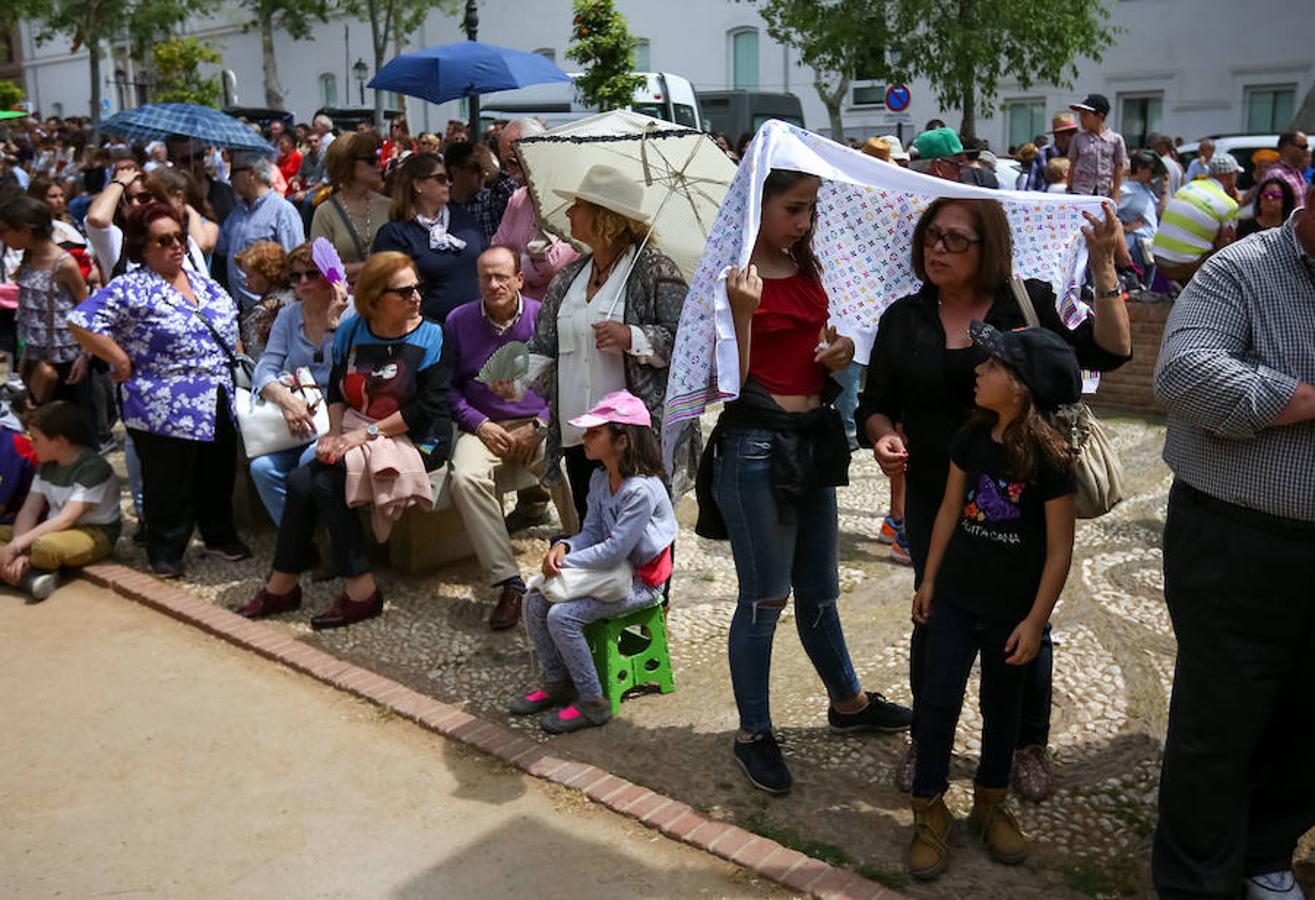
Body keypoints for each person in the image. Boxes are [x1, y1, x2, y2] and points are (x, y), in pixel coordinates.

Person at [856, 198, 1132, 801]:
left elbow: (1110, 350)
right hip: (938, 494)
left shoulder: (1026, 300)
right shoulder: (904, 318)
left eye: (956, 240)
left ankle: (1027, 742)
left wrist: (1104, 264)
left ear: (990, 248)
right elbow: (871, 404)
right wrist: (884, 437)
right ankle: (929, 740)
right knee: (935, 615)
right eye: (932, 236)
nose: (937, 249)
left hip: (1023, 495)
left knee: (1025, 618)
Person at [699, 168, 911, 796]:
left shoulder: (808, 266)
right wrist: (742, 311)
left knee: (820, 590)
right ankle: (753, 734)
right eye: (793, 208)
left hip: (813, 440)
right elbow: (726, 381)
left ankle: (847, 703)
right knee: (765, 598)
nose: (804, 222)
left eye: (810, 210)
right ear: (757, 207)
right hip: (755, 446)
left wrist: (840, 351)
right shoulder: (735, 278)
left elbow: (822, 341)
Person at [1150, 180, 1315, 900]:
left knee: (1307, 719)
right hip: (1235, 542)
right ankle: (1195, 881)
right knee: (1217, 724)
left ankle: (1266, 854)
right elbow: (1185, 378)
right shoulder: (1240, 269)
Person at [907, 323, 1079, 880]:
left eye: (992, 366)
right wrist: (928, 580)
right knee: (936, 704)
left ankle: (990, 803)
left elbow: (1058, 552)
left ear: (1022, 387)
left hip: (1011, 613)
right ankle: (929, 807)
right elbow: (949, 511)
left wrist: (1035, 621)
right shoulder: (970, 438)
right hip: (955, 598)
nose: (977, 371)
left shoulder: (1052, 460)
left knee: (1003, 711)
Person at [237, 252, 452, 629]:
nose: (416, 297)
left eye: (417, 287)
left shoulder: (432, 334)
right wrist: (335, 435)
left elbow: (427, 409)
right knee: (301, 479)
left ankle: (357, 590)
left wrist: (358, 436)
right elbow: (337, 388)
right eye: (404, 292)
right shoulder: (354, 330)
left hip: (417, 437)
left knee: (322, 483)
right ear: (374, 296)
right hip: (358, 425)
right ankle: (286, 583)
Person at [68, 202, 249, 579]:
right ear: (142, 247)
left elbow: (228, 322)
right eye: (164, 240)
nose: (176, 246)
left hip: (216, 393)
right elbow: (81, 320)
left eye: (179, 237)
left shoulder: (199, 278)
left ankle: (218, 534)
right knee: (168, 481)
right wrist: (117, 358)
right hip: (162, 401)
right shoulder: (131, 287)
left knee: (216, 472)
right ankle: (165, 548)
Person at [522, 164, 693, 528]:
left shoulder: (654, 269)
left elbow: (684, 341)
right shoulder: (569, 276)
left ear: (605, 217)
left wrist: (632, 336)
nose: (568, 213)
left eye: (578, 206)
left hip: (629, 437)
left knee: (641, 536)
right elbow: (543, 345)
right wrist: (514, 378)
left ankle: (651, 590)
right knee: (593, 529)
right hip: (580, 433)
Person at [507, 390, 677, 734]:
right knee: (536, 602)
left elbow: (614, 550)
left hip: (642, 582)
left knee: (563, 615)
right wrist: (565, 548)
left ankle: (593, 701)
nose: (584, 438)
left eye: (594, 432)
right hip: (613, 573)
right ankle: (558, 682)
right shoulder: (601, 478)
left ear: (622, 441)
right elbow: (592, 531)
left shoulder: (640, 490)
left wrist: (566, 562)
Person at [446, 245, 577, 631]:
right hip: (485, 425)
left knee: (567, 468)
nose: (494, 284)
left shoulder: (543, 318)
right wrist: (479, 423)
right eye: (486, 276)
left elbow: (567, 382)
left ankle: (579, 557)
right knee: (465, 477)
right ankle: (508, 582)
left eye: (502, 276)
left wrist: (539, 423)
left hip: (538, 425)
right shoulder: (459, 320)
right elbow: (449, 389)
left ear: (520, 279)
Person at [247, 243, 346, 524]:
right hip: (303, 417)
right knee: (263, 468)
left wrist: (335, 323)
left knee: (308, 462)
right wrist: (285, 399)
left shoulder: (351, 315)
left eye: (311, 274)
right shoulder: (288, 317)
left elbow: (354, 371)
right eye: (295, 276)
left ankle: (318, 540)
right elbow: (266, 367)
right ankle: (301, 544)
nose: (302, 282)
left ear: (329, 276)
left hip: (342, 419)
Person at [0, 401, 120, 601]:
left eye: (36, 439)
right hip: (54, 529)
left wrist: (17, 547)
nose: (31, 443)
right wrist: (17, 548)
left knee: (44, 547)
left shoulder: (93, 469)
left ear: (59, 441)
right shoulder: (46, 465)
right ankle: (30, 575)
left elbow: (66, 519)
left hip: (91, 531)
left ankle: (23, 572)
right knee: (31, 543)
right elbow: (30, 509)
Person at [0, 196, 91, 412]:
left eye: (4, 230)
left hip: (66, 359)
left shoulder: (64, 264)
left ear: (25, 231)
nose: (2, 237)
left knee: (68, 420)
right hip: (36, 357)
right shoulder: (29, 258)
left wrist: (85, 355)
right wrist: (24, 358)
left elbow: (85, 309)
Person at [371, 153, 482, 323]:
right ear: (418, 185)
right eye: (441, 178)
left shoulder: (464, 219)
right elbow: (387, 290)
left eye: (449, 177)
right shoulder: (395, 234)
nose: (448, 183)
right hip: (426, 331)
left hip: (474, 326)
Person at [490, 118, 580, 301]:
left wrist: (516, 264)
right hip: (520, 314)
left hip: (557, 311)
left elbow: (551, 266)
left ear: (538, 152)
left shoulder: (571, 199)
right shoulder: (517, 198)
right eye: (506, 164)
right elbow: (496, 256)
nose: (509, 172)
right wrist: (529, 261)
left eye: (514, 162)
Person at [215, 151, 305, 308]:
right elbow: (220, 247)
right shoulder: (236, 214)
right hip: (242, 308)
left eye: (234, 172)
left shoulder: (282, 211)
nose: (230, 179)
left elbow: (295, 261)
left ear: (251, 174)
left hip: (273, 311)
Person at [309, 132, 390, 284]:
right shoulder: (325, 213)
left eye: (378, 157)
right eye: (371, 160)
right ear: (347, 164)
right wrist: (375, 266)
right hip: (347, 303)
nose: (379, 164)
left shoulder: (390, 206)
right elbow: (324, 271)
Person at [1151, 153, 1241, 283]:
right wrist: (1237, 205)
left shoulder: (1189, 187)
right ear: (1231, 175)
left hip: (1159, 257)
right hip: (1183, 264)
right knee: (1225, 249)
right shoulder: (1228, 204)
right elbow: (1227, 242)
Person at [443, 141, 517, 245]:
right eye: (476, 168)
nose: (483, 174)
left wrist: (494, 172)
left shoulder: (490, 201)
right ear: (455, 171)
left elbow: (517, 194)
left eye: (484, 168)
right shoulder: (440, 206)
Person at [233, 240, 295, 360]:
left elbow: (256, 357)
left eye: (250, 275)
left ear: (268, 274)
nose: (246, 280)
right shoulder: (294, 297)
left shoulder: (266, 310)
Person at [166, 134, 237, 226]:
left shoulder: (226, 192)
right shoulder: (170, 197)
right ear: (172, 160)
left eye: (199, 156)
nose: (195, 164)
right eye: (187, 160)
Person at [1066, 94, 1126, 199]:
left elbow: (1119, 167)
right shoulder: (1078, 139)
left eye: (1085, 115)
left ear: (1100, 117)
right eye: (1080, 115)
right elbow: (1072, 165)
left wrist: (1116, 193)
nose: (1081, 119)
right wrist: (1069, 188)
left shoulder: (1116, 140)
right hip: (1080, 191)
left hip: (1104, 192)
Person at [1118, 151, 1161, 270]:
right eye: (1150, 170)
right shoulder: (1126, 190)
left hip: (1149, 246)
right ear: (1139, 169)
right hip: (1136, 245)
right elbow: (1107, 213)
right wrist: (1124, 227)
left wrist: (1165, 188)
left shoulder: (1146, 189)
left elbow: (1159, 212)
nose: (1153, 175)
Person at [1025, 114, 1078, 192]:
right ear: (1057, 136)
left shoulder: (1080, 156)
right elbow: (1030, 189)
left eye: (1075, 133)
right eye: (1070, 134)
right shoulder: (1042, 155)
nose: (1075, 137)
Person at [1265, 131, 1309, 207]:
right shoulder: (1275, 174)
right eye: (1303, 147)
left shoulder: (1295, 172)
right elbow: (1271, 207)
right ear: (1288, 147)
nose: (1306, 151)